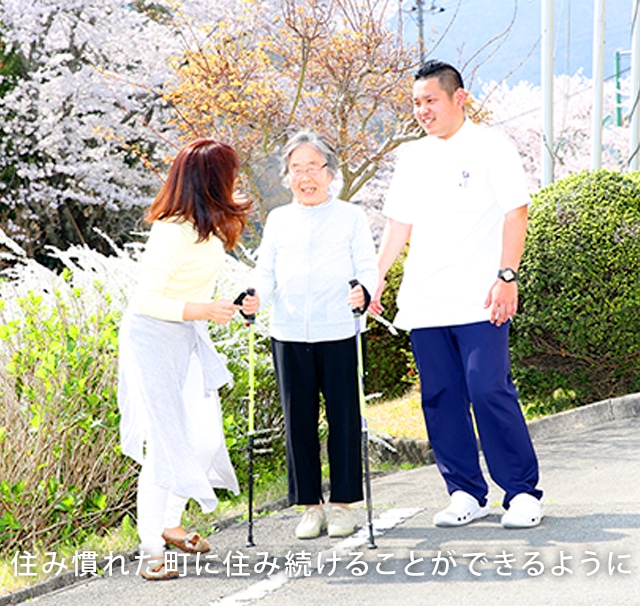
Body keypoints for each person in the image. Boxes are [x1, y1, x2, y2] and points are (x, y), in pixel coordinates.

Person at [369, 60, 543, 529]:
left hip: (482, 297)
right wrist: (377, 276)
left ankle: (522, 492)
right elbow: (398, 224)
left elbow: (516, 212)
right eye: (416, 103)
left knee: (488, 388)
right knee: (441, 396)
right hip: (426, 299)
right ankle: (466, 491)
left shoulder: (491, 146)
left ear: (458, 97)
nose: (422, 110)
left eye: (431, 100)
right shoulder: (411, 156)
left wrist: (507, 275)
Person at [117, 139, 259, 580]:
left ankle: (170, 523)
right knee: (166, 443)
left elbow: (193, 293)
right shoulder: (172, 230)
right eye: (230, 173)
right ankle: (150, 549)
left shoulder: (208, 226)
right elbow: (146, 301)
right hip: (151, 339)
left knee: (201, 437)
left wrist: (235, 304)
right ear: (210, 179)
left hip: (185, 335)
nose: (236, 180)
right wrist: (204, 309)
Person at [251, 131, 378, 539]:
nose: (305, 177)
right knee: (298, 421)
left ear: (330, 173)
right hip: (288, 332)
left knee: (344, 418)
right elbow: (265, 274)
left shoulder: (350, 217)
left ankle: (341, 505)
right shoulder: (278, 220)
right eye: (297, 169)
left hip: (338, 329)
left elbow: (367, 267)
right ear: (287, 176)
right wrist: (255, 298)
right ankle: (310, 506)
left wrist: (364, 290)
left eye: (313, 168)